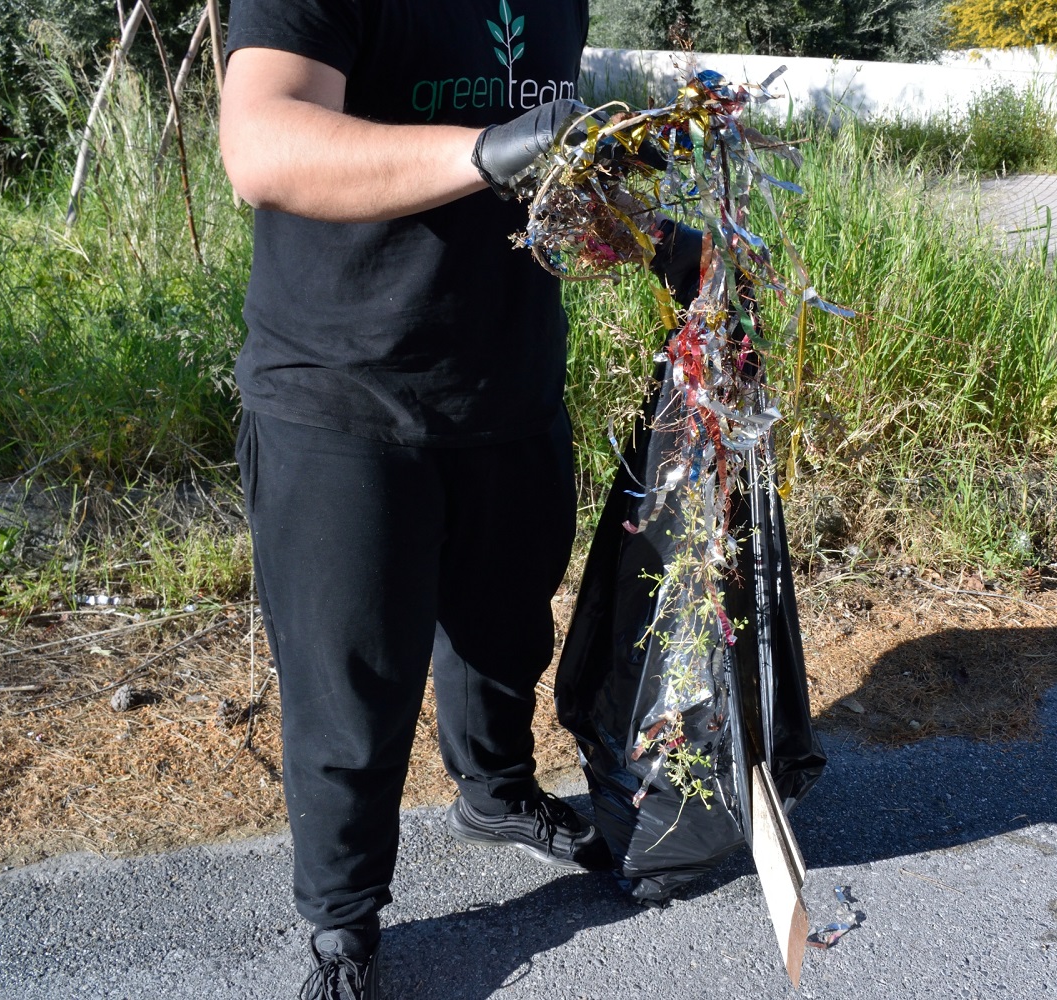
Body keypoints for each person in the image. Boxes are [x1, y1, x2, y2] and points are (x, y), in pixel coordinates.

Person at [218, 2, 697, 997]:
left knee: (506, 627)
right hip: (341, 389)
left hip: (508, 383)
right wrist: (483, 149)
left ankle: (494, 792)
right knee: (352, 686)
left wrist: (654, 235)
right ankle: (342, 922)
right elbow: (261, 141)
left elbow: (547, 176)